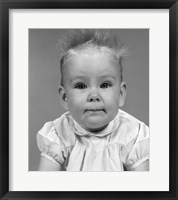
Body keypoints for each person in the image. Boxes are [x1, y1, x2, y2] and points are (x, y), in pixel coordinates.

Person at [36, 29, 149, 171]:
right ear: (65, 98)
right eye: (81, 86)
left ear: (120, 94)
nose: (94, 95)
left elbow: (143, 189)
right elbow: (44, 187)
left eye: (105, 85)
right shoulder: (58, 135)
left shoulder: (132, 134)